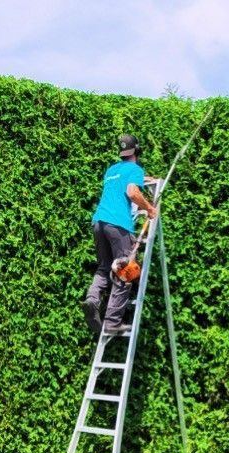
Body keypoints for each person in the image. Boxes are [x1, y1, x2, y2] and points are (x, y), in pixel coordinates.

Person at [83, 134, 157, 336]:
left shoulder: (112, 170)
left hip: (99, 222)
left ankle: (92, 299)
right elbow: (133, 192)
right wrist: (149, 208)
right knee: (126, 270)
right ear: (138, 151)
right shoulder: (134, 168)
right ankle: (112, 321)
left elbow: (122, 183)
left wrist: (144, 179)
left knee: (105, 266)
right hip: (117, 223)